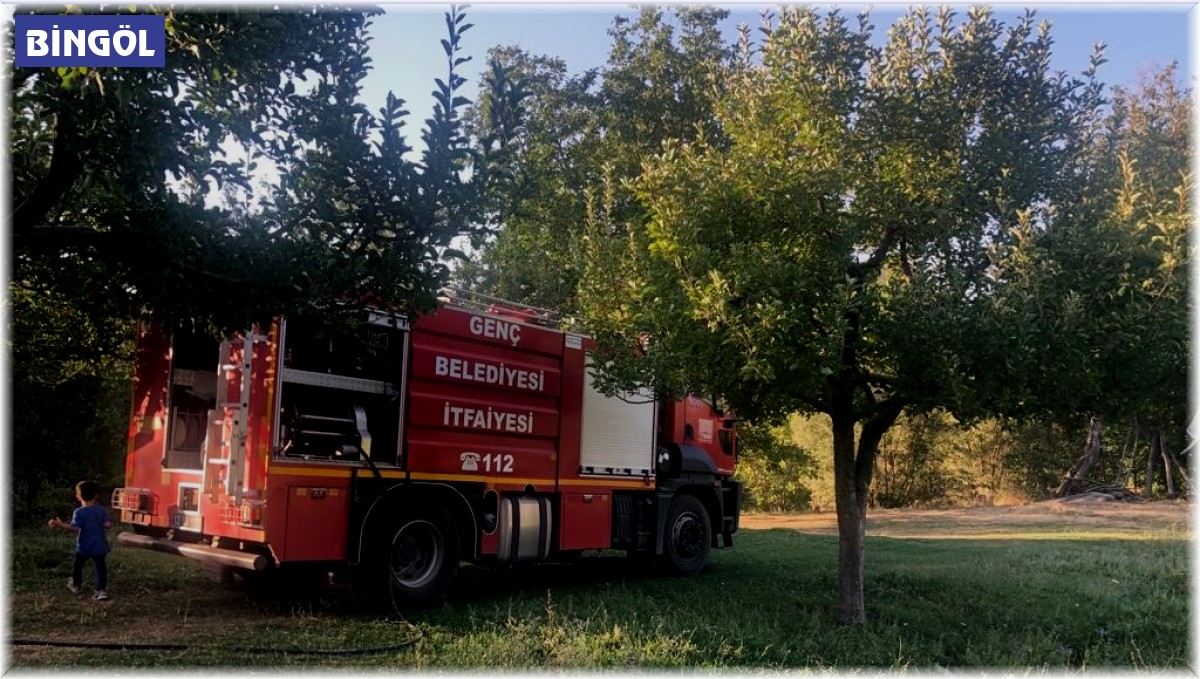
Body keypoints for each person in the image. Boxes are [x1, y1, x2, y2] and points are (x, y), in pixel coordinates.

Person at [48, 480, 114, 601]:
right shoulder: (101, 510)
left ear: (78, 496)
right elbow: (108, 524)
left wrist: (60, 524)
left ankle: (76, 585)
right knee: (100, 566)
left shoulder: (79, 512)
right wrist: (108, 524)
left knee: (78, 564)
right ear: (95, 495)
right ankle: (101, 591)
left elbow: (74, 528)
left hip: (84, 546)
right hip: (99, 546)